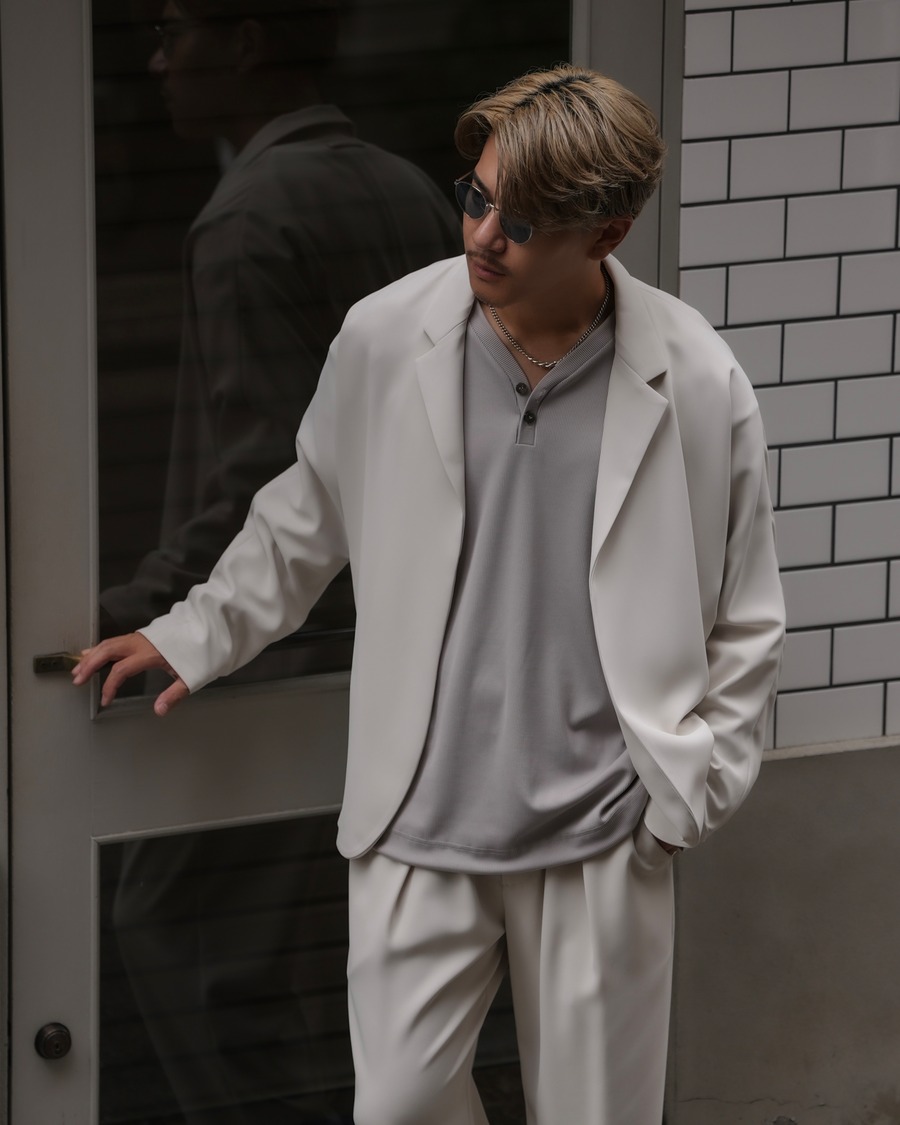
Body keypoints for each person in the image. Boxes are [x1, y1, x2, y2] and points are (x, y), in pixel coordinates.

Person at [75, 64, 785, 1125]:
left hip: (601, 828)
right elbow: (304, 515)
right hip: (420, 819)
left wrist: (693, 792)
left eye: (522, 222)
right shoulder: (385, 336)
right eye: (476, 197)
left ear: (608, 232)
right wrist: (193, 633)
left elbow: (747, 613)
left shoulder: (697, 379)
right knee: (400, 1106)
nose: (484, 237)